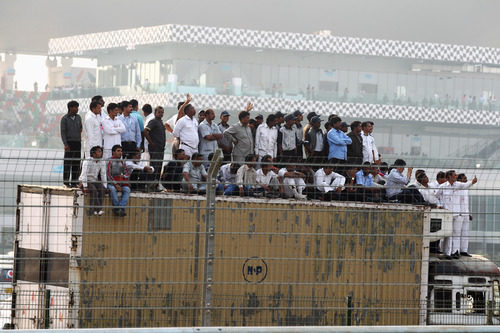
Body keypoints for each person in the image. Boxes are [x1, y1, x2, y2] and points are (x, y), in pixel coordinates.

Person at [436, 171, 477, 259]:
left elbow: (466, 185)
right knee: (448, 234)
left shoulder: (458, 185)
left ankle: (455, 252)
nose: (456, 176)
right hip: (447, 214)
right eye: (454, 175)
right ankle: (447, 253)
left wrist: (472, 182)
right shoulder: (443, 186)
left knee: (456, 233)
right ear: (450, 176)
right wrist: (439, 205)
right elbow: (436, 196)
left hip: (457, 213)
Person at [79, 146, 107, 216]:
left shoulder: (102, 161)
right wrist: (85, 186)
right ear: (93, 154)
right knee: (93, 190)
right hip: (85, 180)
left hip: (94, 180)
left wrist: (105, 186)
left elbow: (103, 174)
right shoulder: (87, 161)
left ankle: (95, 210)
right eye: (99, 151)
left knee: (102, 189)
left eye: (101, 151)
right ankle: (98, 209)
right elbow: (84, 174)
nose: (101, 153)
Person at [60, 100, 83, 188]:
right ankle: (66, 182)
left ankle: (74, 182)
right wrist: (65, 144)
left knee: (76, 163)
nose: (77, 109)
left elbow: (80, 128)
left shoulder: (78, 117)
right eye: (75, 107)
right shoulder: (64, 119)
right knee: (68, 163)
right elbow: (63, 132)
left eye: (77, 107)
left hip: (77, 142)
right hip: (69, 143)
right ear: (70, 108)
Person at [144, 106, 166, 191]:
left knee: (159, 167)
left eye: (162, 112)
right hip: (155, 148)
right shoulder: (153, 121)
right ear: (155, 113)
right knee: (154, 166)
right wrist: (151, 142)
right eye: (159, 112)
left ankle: (156, 185)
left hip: (161, 148)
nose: (161, 114)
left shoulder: (160, 122)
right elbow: (145, 131)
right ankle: (150, 185)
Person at [106, 145, 130, 217]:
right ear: (113, 152)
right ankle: (117, 208)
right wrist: (115, 184)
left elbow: (127, 173)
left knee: (127, 189)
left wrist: (124, 176)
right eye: (118, 151)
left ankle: (121, 207)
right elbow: (108, 174)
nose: (120, 153)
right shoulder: (109, 161)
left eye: (121, 151)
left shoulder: (122, 162)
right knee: (113, 189)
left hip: (119, 182)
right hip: (109, 182)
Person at [457, 173, 473, 257]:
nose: (466, 180)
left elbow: (465, 203)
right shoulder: (457, 188)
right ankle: (456, 250)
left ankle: (464, 250)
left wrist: (468, 213)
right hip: (458, 213)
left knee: (465, 232)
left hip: (465, 213)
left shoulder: (466, 189)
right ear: (459, 180)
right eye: (464, 178)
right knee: (457, 233)